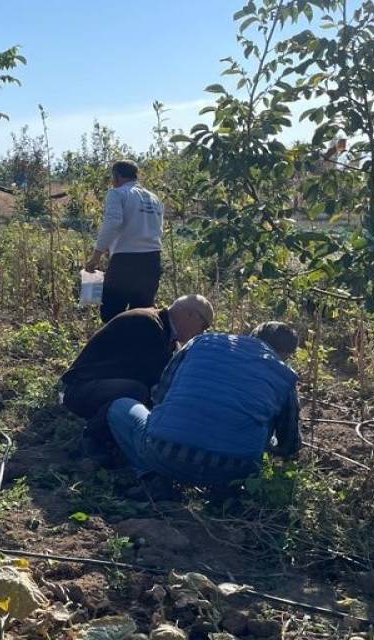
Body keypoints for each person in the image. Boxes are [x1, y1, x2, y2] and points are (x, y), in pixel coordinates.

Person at [105, 322, 301, 495]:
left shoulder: (202, 342)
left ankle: (152, 478)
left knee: (120, 407)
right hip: (235, 470)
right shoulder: (284, 375)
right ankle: (225, 491)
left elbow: (160, 395)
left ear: (251, 336)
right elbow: (289, 442)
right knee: (264, 423)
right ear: (286, 354)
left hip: (164, 453)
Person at [60, 294, 214, 463]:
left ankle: (115, 439)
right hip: (81, 389)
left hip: (99, 386)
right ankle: (93, 438)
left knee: (141, 395)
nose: (201, 333)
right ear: (190, 315)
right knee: (138, 392)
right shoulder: (148, 324)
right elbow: (157, 380)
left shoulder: (162, 328)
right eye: (203, 326)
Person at [83, 160, 164, 323]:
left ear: (117, 176)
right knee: (142, 315)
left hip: (126, 261)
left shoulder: (117, 193)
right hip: (152, 261)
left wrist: (96, 256)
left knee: (111, 313)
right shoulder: (154, 199)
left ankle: (115, 347)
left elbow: (112, 223)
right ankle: (136, 347)